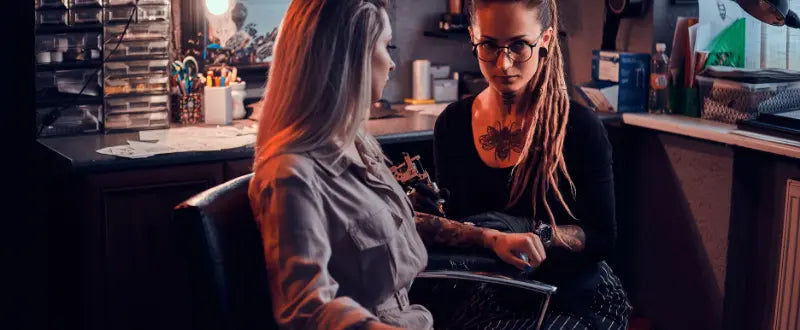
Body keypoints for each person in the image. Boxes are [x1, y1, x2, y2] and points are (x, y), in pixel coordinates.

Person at [248, 1, 545, 329]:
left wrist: (488, 238)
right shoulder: (291, 176)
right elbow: (306, 309)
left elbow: (393, 222)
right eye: (385, 47)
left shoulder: (355, 146)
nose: (392, 63)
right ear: (351, 56)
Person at [427, 0, 633, 328]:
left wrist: (534, 232)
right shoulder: (452, 125)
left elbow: (601, 237)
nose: (503, 63)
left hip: (574, 297)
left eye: (519, 45)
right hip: (490, 292)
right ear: (472, 37)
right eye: (489, 45)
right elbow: (455, 223)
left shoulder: (580, 128)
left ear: (546, 40)